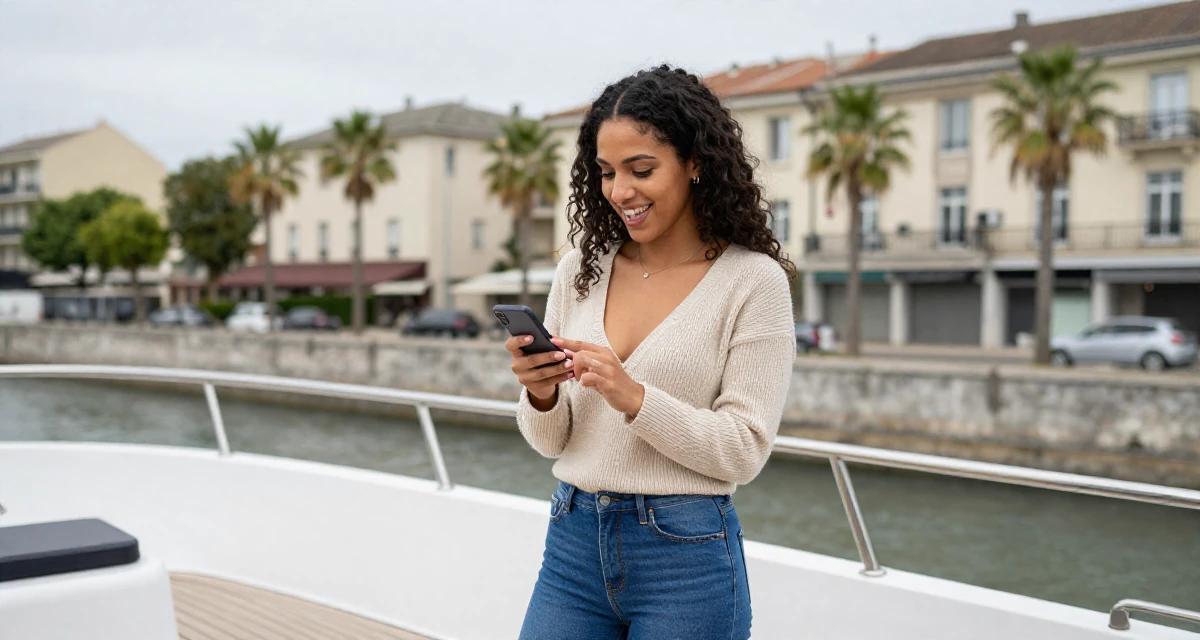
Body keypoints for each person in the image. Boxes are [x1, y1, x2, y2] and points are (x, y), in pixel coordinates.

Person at [506, 64, 797, 640]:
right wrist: (540, 393)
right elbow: (551, 442)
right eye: (607, 172)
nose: (620, 192)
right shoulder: (581, 271)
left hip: (684, 560)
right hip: (572, 543)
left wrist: (633, 397)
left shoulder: (753, 281)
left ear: (695, 163)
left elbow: (743, 451)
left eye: (642, 170)